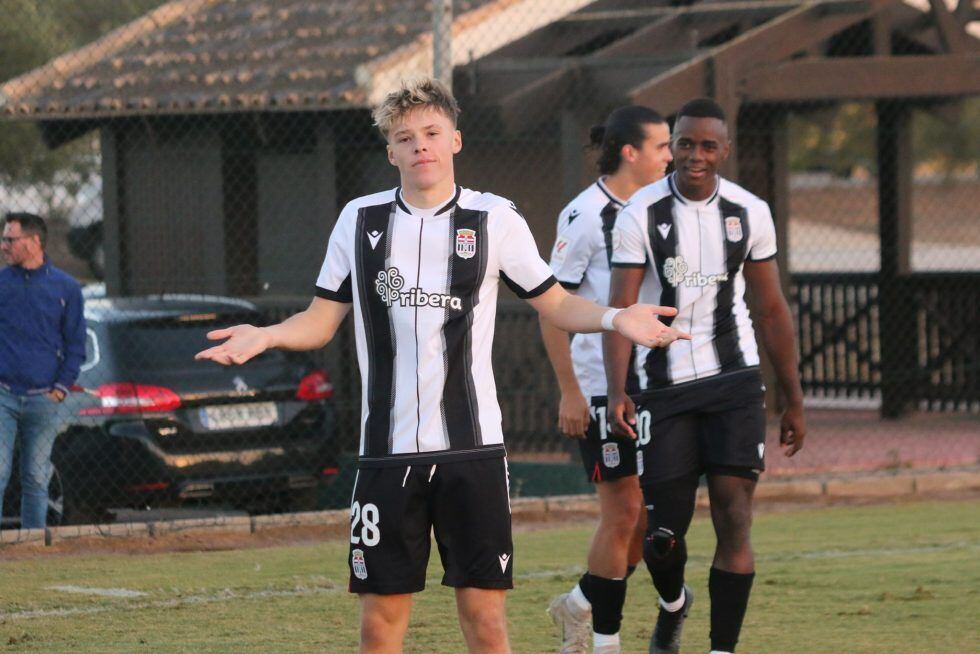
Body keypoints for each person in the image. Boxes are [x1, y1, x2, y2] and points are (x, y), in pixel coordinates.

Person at [195, 77, 690, 654]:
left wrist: (616, 317)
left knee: (485, 622)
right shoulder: (359, 220)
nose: (420, 146)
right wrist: (268, 335)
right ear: (391, 152)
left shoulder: (495, 218)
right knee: (379, 625)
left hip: (473, 452)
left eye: (431, 133)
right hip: (385, 452)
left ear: (455, 139)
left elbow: (553, 302)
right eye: (405, 138)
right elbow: (320, 321)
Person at [604, 98, 807, 654]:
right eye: (684, 144)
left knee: (734, 516)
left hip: (734, 383)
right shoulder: (640, 213)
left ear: (724, 151)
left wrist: (793, 399)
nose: (694, 156)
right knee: (663, 537)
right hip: (661, 387)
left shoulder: (750, 212)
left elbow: (770, 310)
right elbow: (621, 310)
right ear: (672, 147)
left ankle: (722, 649)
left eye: (707, 146)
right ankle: (673, 604)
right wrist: (617, 391)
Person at [541, 106, 673, 654]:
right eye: (663, 145)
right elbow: (551, 308)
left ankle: (580, 600)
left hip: (663, 384)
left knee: (651, 519)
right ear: (630, 152)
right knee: (621, 513)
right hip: (603, 387)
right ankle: (601, 640)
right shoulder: (585, 215)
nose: (673, 155)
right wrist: (571, 390)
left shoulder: (664, 208)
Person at [0, 212, 86, 530]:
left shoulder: (66, 288)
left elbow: (76, 344)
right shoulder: (2, 284)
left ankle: (31, 547)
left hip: (43, 400)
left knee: (36, 478)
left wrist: (61, 388)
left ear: (34, 242)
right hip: (3, 396)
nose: (4, 246)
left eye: (11, 239)